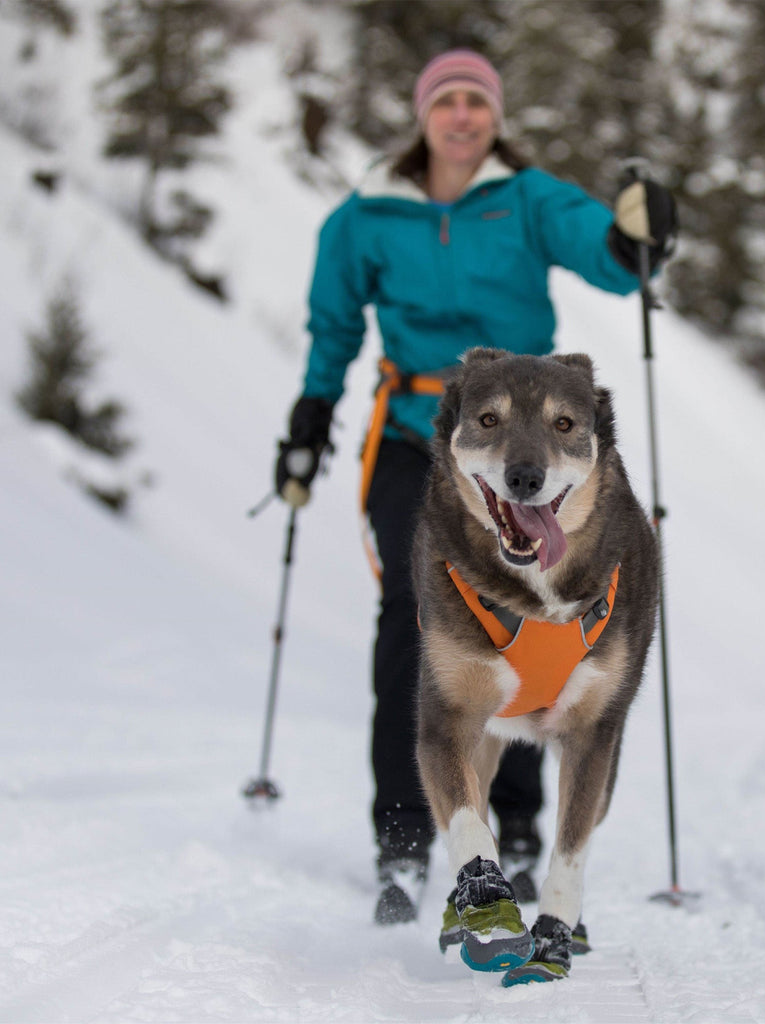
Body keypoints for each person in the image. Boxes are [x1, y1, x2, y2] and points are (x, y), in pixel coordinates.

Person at [274, 49, 676, 926]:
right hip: (421, 431)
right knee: (418, 621)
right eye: (446, 101)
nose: (462, 116)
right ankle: (408, 831)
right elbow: (334, 322)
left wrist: (635, 239)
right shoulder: (365, 213)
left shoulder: (528, 197)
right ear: (423, 114)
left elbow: (604, 253)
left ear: (494, 116)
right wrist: (312, 412)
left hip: (528, 434)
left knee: (543, 619)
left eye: (477, 102)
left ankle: (524, 830)